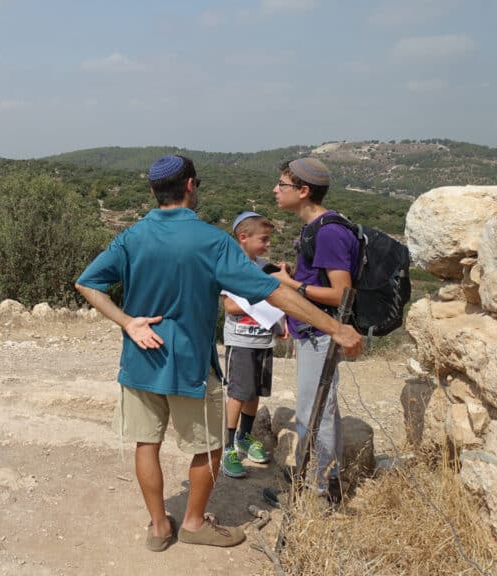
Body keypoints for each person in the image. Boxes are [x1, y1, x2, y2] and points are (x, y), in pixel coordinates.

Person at [75, 154, 362, 550]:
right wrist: (336, 327)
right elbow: (273, 291)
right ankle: (193, 523)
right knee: (210, 446)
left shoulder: (132, 236)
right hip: (191, 365)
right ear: (191, 186)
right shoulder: (212, 241)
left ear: (154, 191)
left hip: (140, 360)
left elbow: (87, 283)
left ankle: (158, 528)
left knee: (147, 444)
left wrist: (128, 322)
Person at [268, 158, 359, 505]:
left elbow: (341, 293)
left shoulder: (329, 232)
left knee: (312, 410)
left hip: (320, 334)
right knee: (323, 408)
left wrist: (291, 285)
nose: (276, 190)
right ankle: (328, 479)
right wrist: (299, 278)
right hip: (311, 332)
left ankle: (317, 489)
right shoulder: (315, 229)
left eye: (283, 185)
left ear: (304, 191)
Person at [220, 212, 287, 479]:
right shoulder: (230, 267)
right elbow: (230, 306)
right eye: (264, 239)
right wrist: (262, 295)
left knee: (254, 391)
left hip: (262, 340)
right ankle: (227, 447)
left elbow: (279, 299)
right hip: (241, 340)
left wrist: (281, 323)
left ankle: (245, 438)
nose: (268, 245)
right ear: (243, 238)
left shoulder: (264, 267)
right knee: (238, 392)